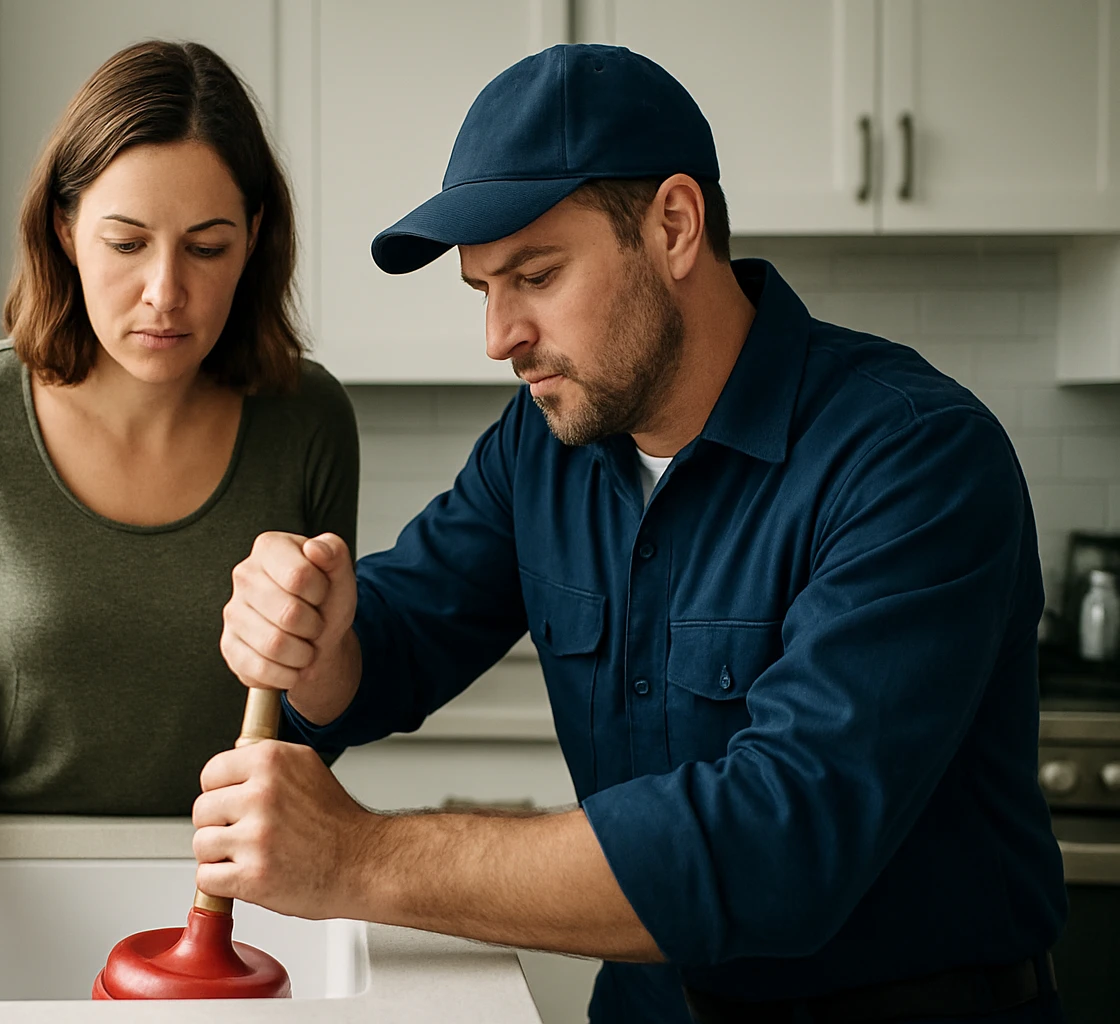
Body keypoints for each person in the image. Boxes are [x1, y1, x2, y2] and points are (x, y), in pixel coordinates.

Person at [201, 44, 1066, 1024]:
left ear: (675, 226)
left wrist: (358, 857)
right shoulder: (543, 445)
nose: (499, 336)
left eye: (535, 274)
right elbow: (393, 642)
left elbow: (777, 846)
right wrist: (311, 635)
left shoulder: (915, 459)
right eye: (483, 289)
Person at [0, 40, 358, 998]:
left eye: (207, 247)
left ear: (254, 237)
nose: (165, 292)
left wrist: (327, 644)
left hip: (229, 898)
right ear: (64, 228)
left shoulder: (310, 420)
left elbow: (320, 708)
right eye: (126, 244)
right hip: (17, 890)